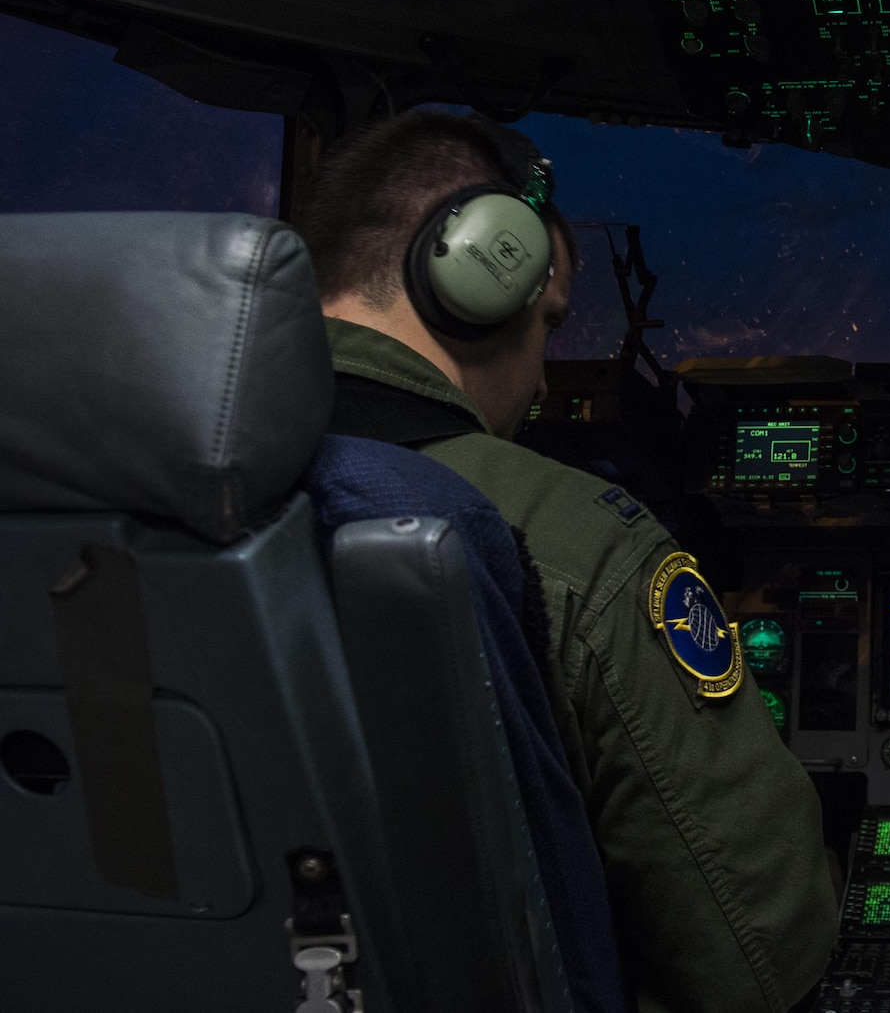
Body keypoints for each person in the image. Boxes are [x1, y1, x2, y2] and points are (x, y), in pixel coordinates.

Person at [295, 111, 839, 1013]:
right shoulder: (568, 538)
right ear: (473, 273)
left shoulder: (109, 495)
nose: (545, 378)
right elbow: (759, 957)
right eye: (546, 320)